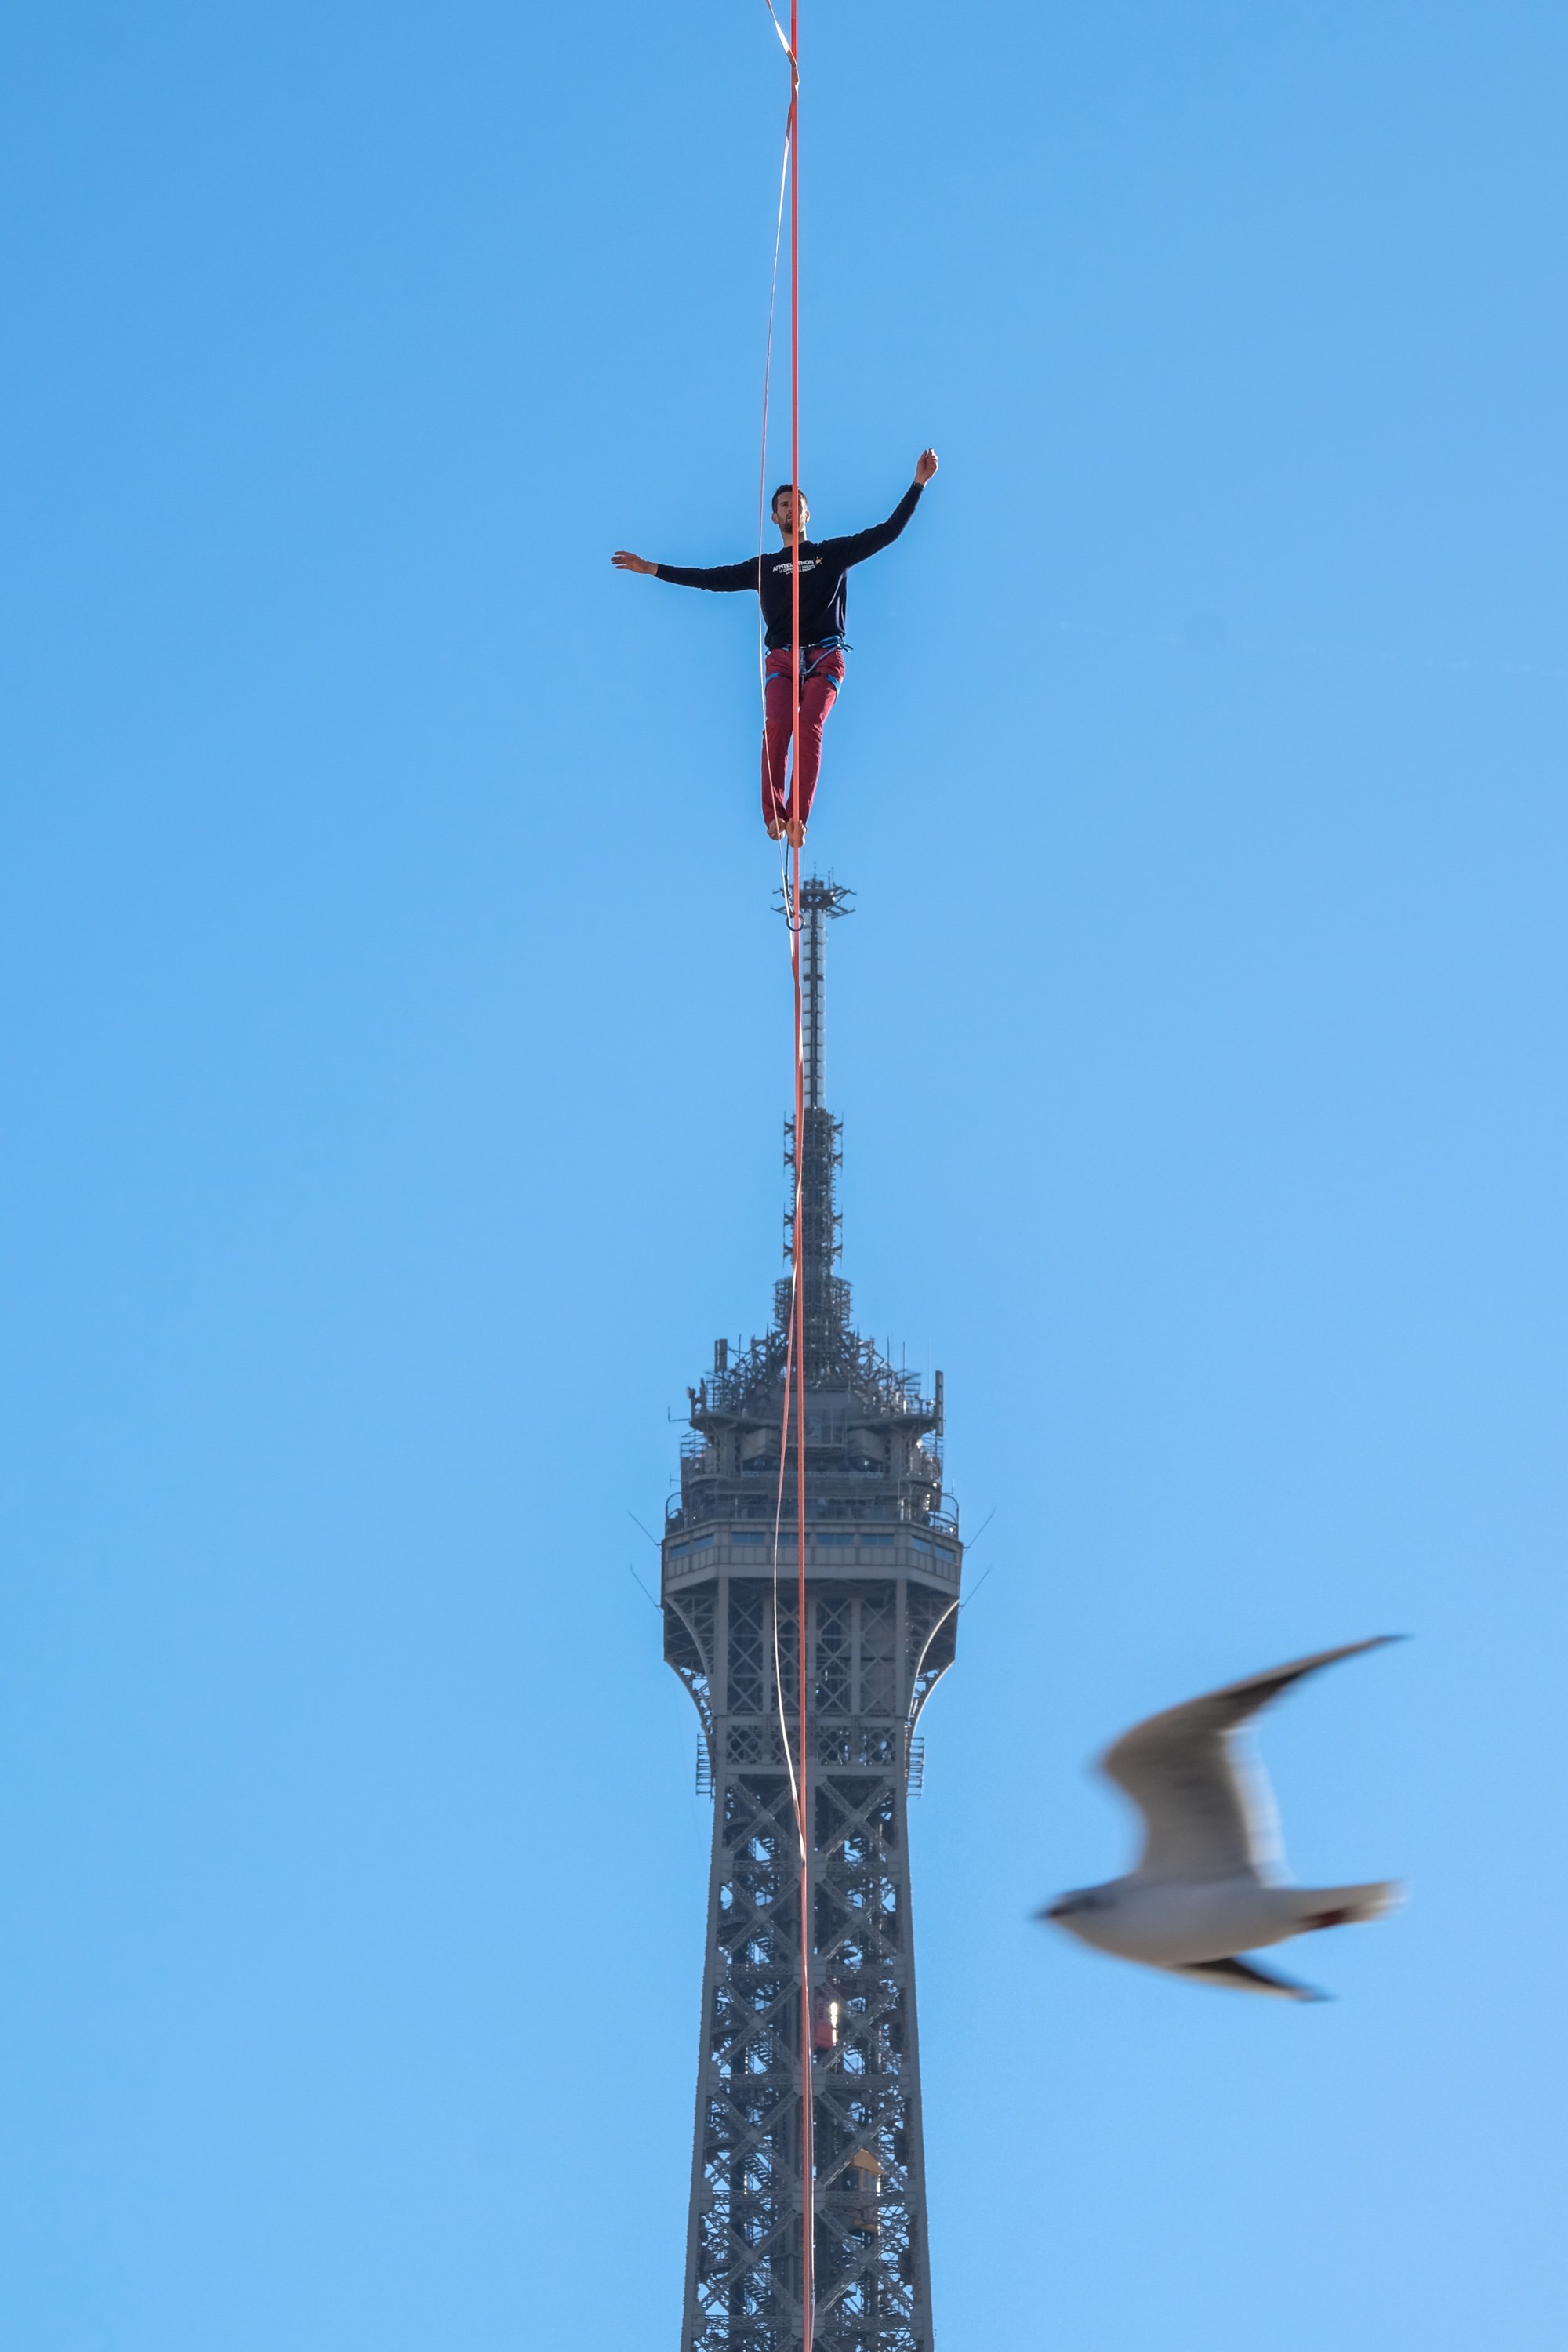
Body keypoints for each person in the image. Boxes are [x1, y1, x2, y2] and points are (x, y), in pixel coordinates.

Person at [612, 451, 938, 844]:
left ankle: (799, 817)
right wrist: (655, 569)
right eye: (783, 504)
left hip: (826, 655)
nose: (790, 508)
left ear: (806, 515)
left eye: (796, 504)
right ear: (774, 517)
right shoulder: (763, 567)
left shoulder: (832, 554)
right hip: (782, 659)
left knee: (808, 725)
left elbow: (888, 532)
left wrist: (918, 484)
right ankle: (775, 816)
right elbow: (710, 579)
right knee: (777, 727)